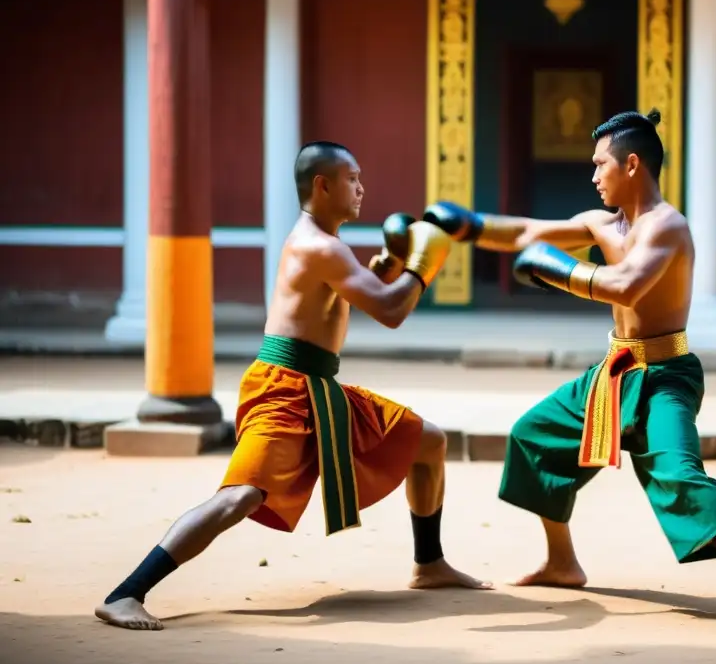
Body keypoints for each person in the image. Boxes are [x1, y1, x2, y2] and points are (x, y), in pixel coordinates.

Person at [423, 110, 716, 636]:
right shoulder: (603, 222)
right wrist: (468, 225)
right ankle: (562, 563)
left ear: (632, 163)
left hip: (666, 375)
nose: (594, 175)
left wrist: (561, 272)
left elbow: (626, 285)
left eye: (601, 164)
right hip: (614, 370)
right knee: (534, 436)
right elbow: (529, 231)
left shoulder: (667, 226)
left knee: (681, 476)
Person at [96, 141, 491, 631]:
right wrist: (424, 264)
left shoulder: (324, 243)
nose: (361, 187)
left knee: (427, 442)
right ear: (322, 185)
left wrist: (389, 266)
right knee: (238, 497)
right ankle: (125, 593)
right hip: (282, 387)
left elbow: (351, 297)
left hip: (319, 388)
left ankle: (428, 564)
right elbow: (390, 311)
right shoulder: (319, 246)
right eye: (352, 178)